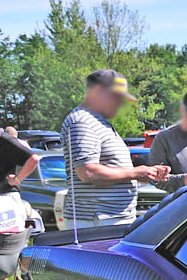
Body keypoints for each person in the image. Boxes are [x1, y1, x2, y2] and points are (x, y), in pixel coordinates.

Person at [61, 70, 168, 229]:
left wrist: (144, 174)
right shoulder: (82, 122)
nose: (120, 104)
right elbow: (87, 172)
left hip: (107, 219)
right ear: (97, 91)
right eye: (117, 98)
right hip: (96, 220)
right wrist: (136, 173)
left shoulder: (97, 122)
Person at [0, 116, 43, 280]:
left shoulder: (5, 140)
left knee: (9, 243)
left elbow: (34, 158)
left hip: (6, 200)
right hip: (3, 200)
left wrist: (17, 179)